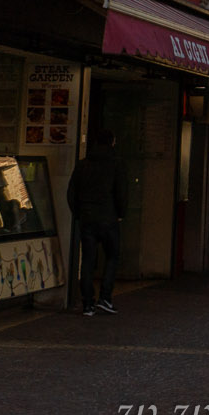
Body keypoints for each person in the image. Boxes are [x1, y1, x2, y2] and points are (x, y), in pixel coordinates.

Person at [68, 130, 127, 315]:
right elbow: (121, 193)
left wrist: (78, 213)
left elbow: (71, 193)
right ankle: (105, 297)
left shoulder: (83, 165)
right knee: (112, 256)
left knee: (87, 260)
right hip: (109, 218)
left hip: (87, 219)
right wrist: (120, 213)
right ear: (112, 142)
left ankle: (87, 303)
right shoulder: (116, 164)